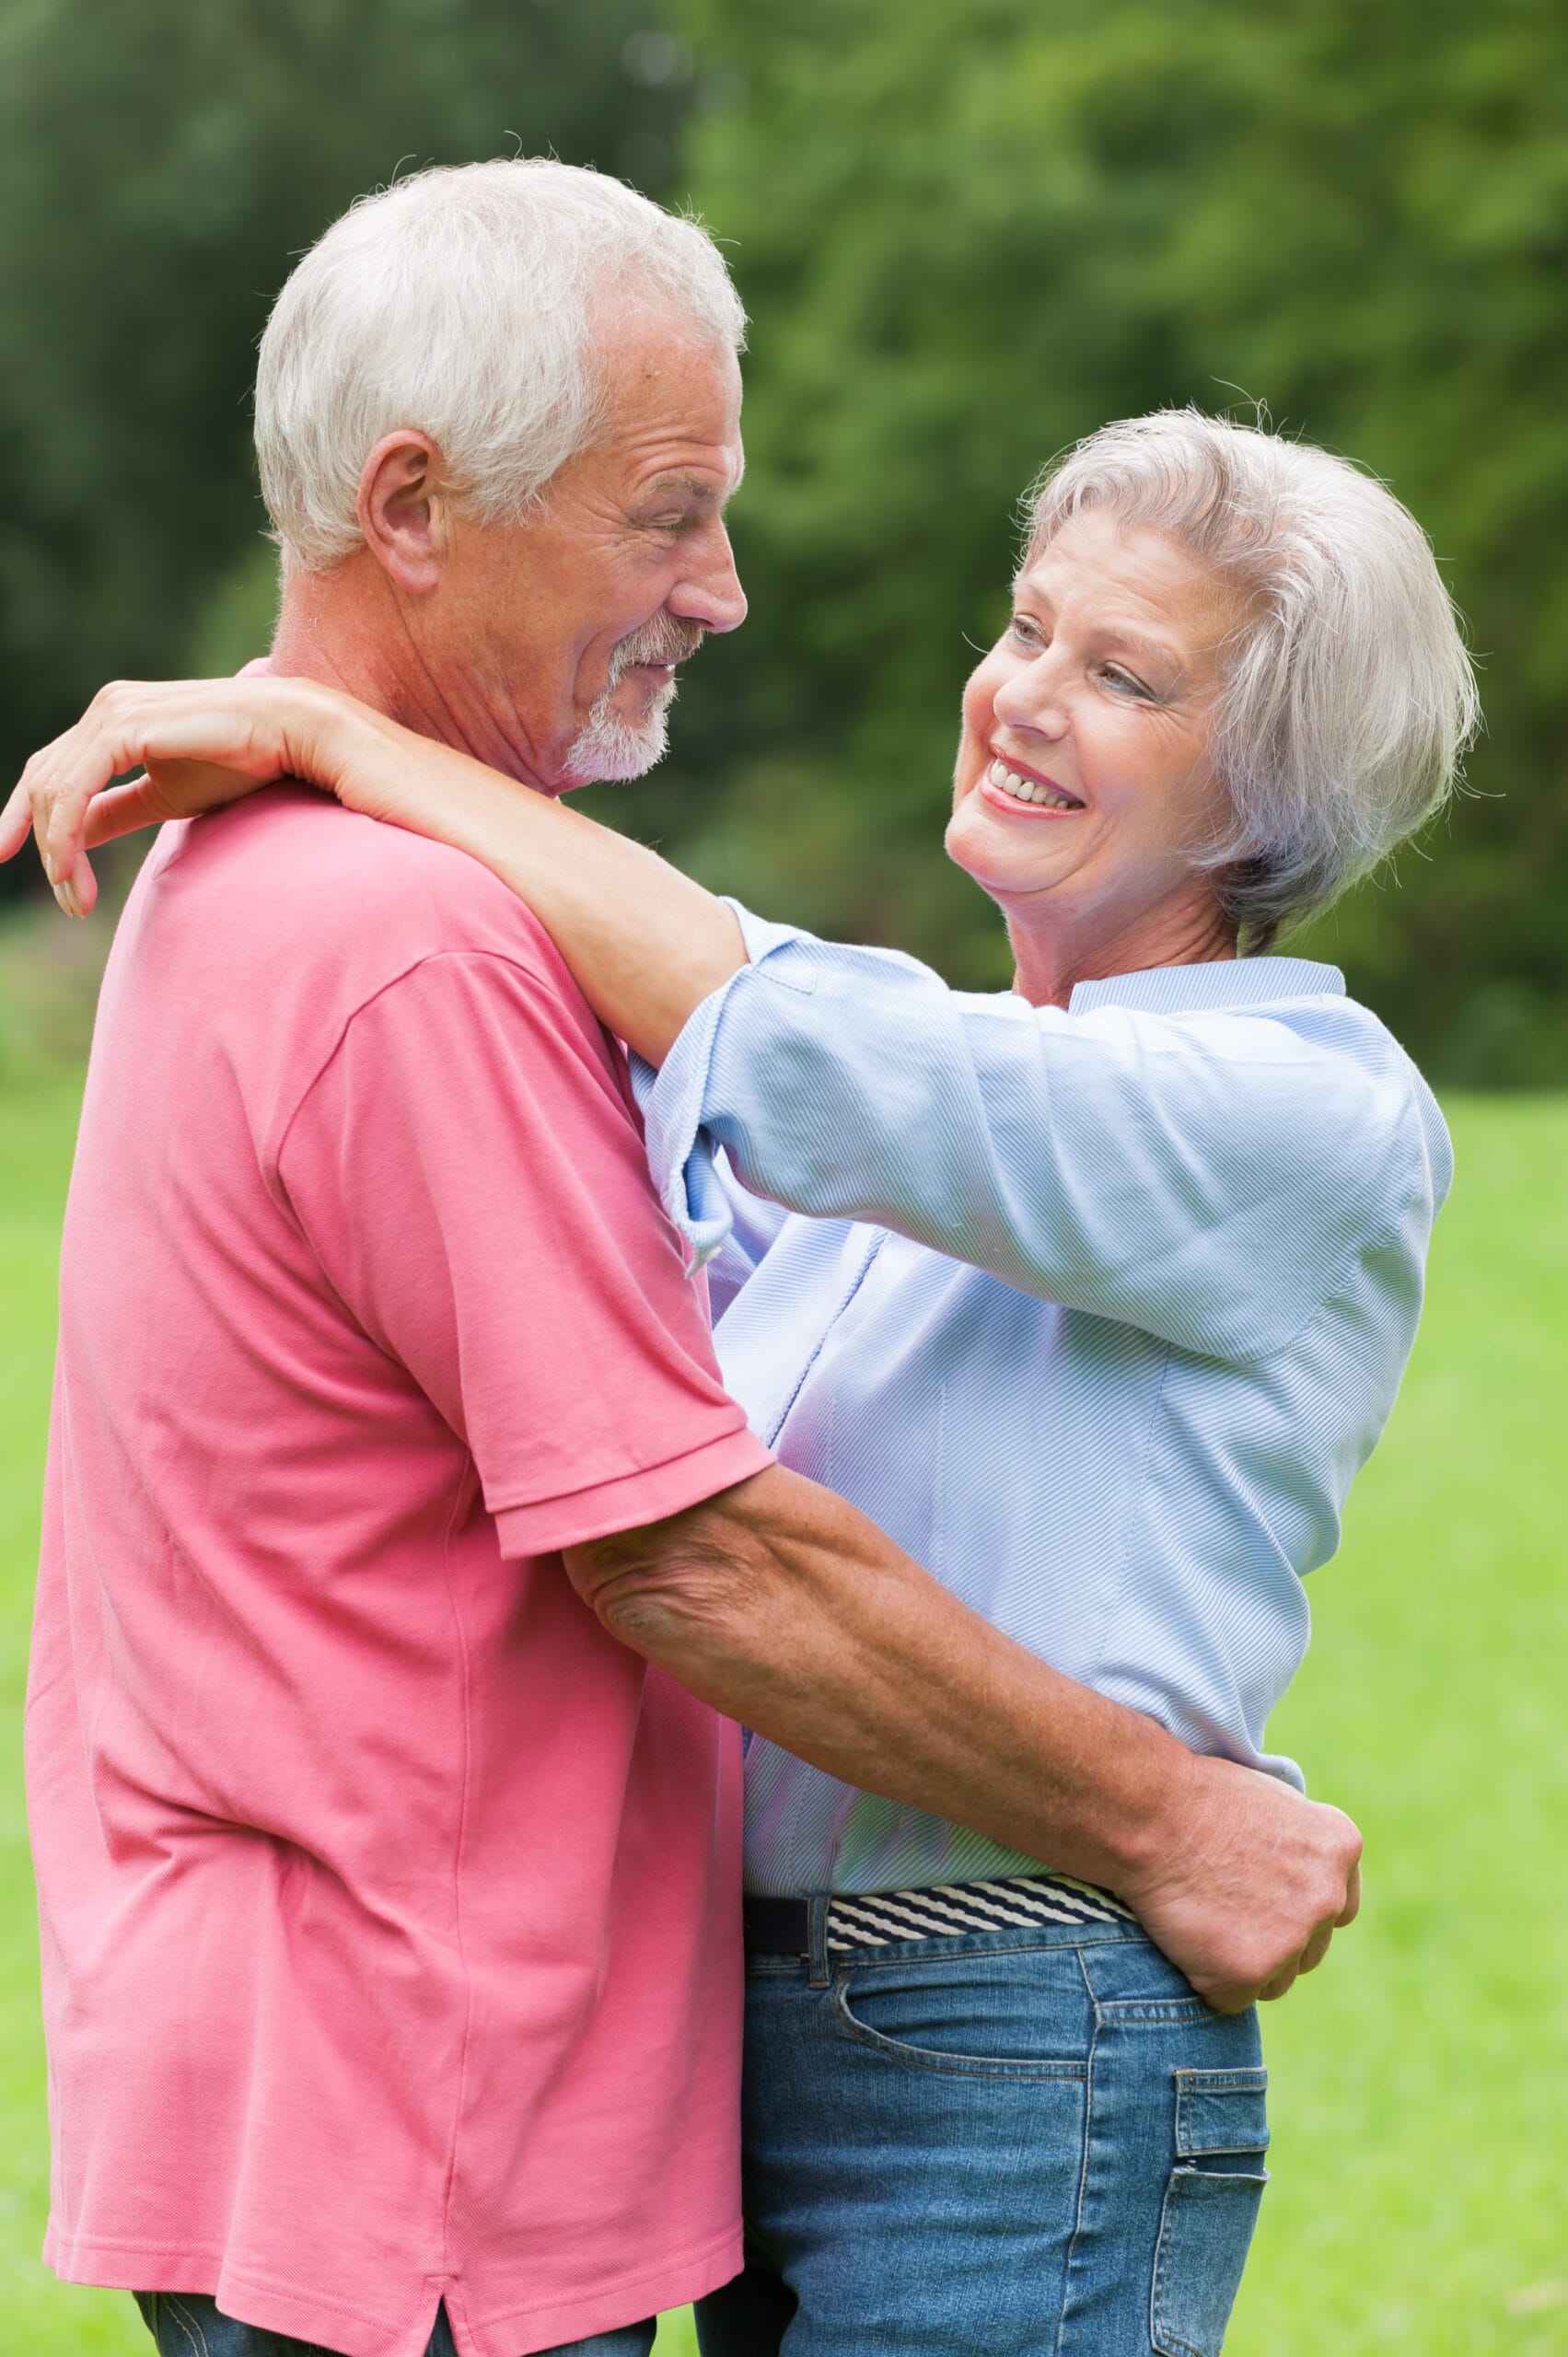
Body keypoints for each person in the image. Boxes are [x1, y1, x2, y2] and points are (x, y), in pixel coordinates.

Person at [0, 169, 1368, 2357]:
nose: (721, 589)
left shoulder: (286, 876)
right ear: (419, 506)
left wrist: (347, 737)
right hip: (418, 2087)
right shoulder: (408, 945)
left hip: (365, 2058)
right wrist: (1165, 1811)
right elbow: (683, 1554)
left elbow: (810, 1038)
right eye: (667, 514)